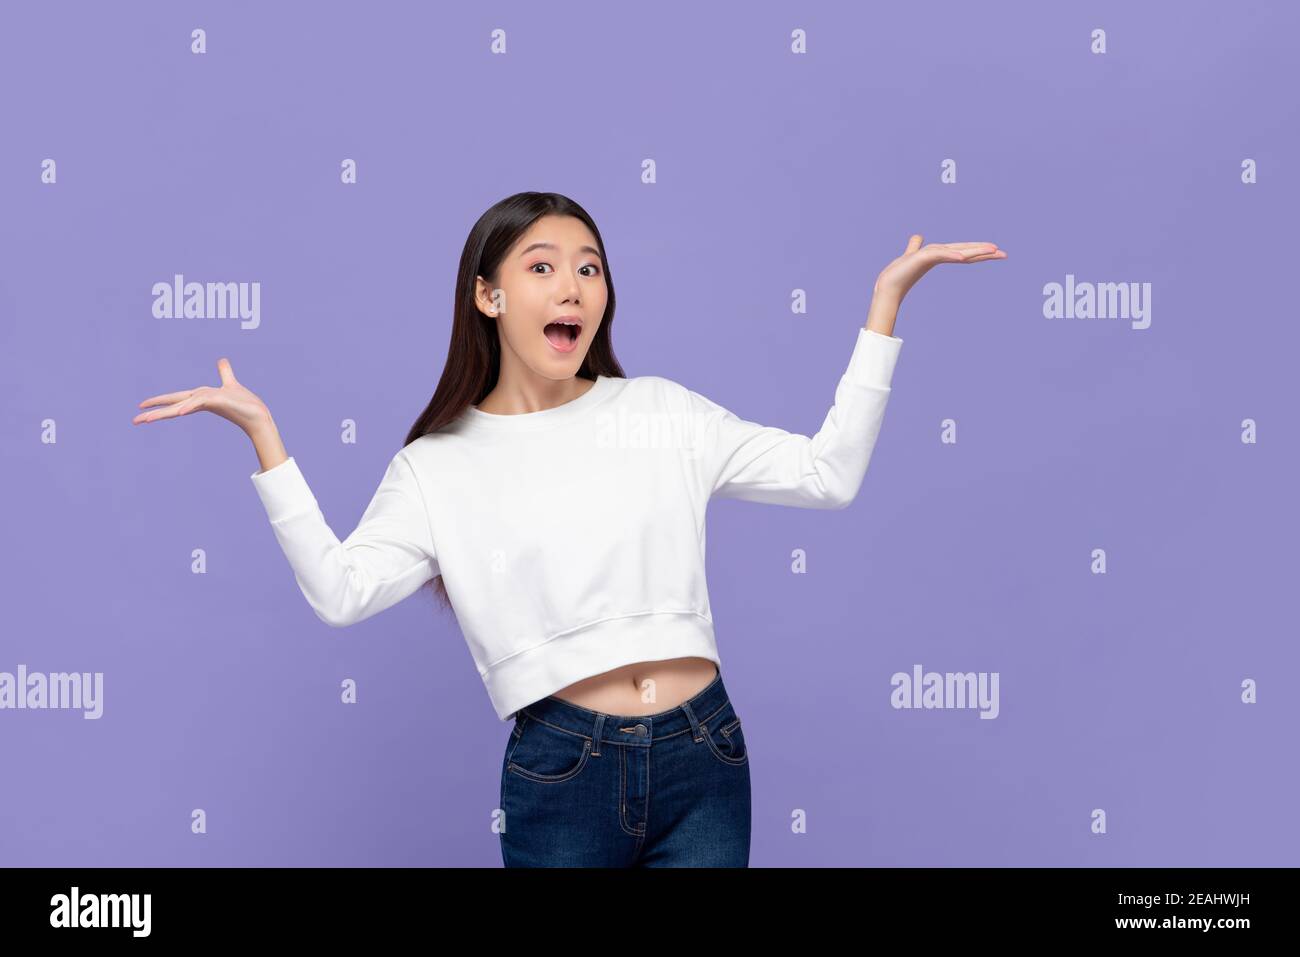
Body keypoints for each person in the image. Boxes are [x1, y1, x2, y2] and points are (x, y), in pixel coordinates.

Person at [132, 191, 1006, 867]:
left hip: (706, 752)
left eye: (590, 268)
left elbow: (828, 475)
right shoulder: (439, 464)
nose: (573, 286)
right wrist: (266, 440)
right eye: (543, 266)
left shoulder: (661, 410)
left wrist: (884, 306)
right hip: (562, 769)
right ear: (488, 294)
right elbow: (340, 593)